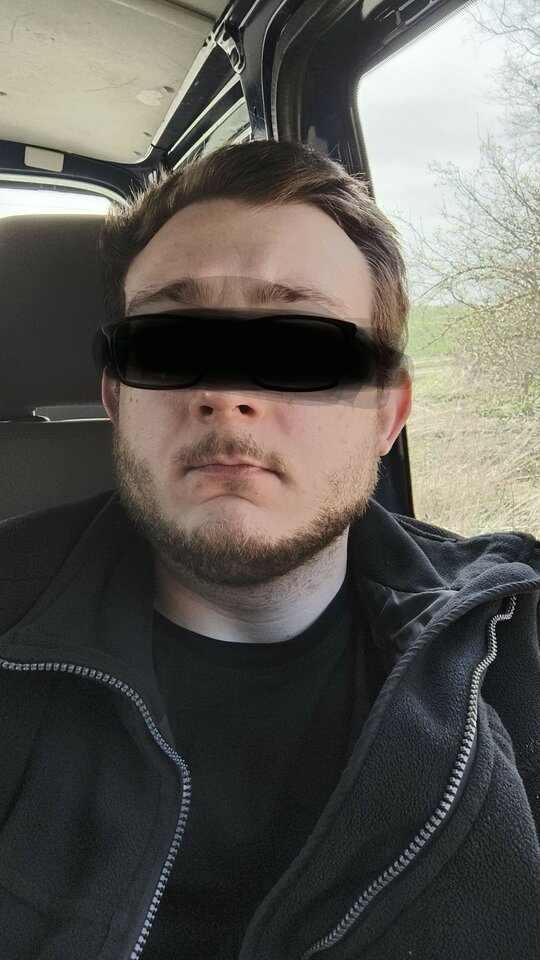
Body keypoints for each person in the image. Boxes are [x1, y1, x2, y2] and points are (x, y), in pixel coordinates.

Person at [0, 139, 538, 960]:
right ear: (117, 396)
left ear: (387, 414)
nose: (226, 394)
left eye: (300, 347)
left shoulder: (510, 639)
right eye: (168, 344)